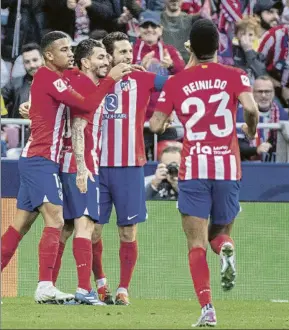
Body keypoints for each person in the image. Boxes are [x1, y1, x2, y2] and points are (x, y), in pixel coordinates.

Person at [0, 31, 131, 304]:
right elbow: (87, 103)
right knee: (57, 221)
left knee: (19, 226)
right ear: (49, 55)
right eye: (63, 49)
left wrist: (31, 105)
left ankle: (47, 285)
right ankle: (45, 285)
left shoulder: (59, 77)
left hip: (37, 158)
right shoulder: (49, 78)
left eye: (71, 49)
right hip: (41, 160)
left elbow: (74, 82)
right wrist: (111, 79)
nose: (69, 53)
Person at [149, 19, 259, 327]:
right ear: (220, 46)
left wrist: (175, 116)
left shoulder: (176, 82)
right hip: (228, 166)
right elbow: (252, 109)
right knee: (220, 234)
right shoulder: (236, 75)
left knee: (195, 244)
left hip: (194, 166)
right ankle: (226, 249)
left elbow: (156, 125)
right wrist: (249, 131)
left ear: (190, 47)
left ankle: (207, 309)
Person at [88, 31, 168, 305]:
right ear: (107, 56)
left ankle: (123, 289)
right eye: (121, 52)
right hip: (96, 166)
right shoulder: (93, 80)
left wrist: (164, 116)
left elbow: (175, 84)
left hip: (130, 167)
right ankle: (100, 284)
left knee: (127, 231)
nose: (128, 56)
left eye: (128, 51)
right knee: (92, 230)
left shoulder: (141, 79)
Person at [51, 39, 113, 306]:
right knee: (84, 225)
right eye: (101, 57)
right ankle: (83, 290)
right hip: (81, 164)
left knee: (65, 228)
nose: (107, 62)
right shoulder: (86, 85)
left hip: (70, 162)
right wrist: (82, 167)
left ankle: (49, 287)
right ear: (86, 62)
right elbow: (78, 127)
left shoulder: (78, 83)